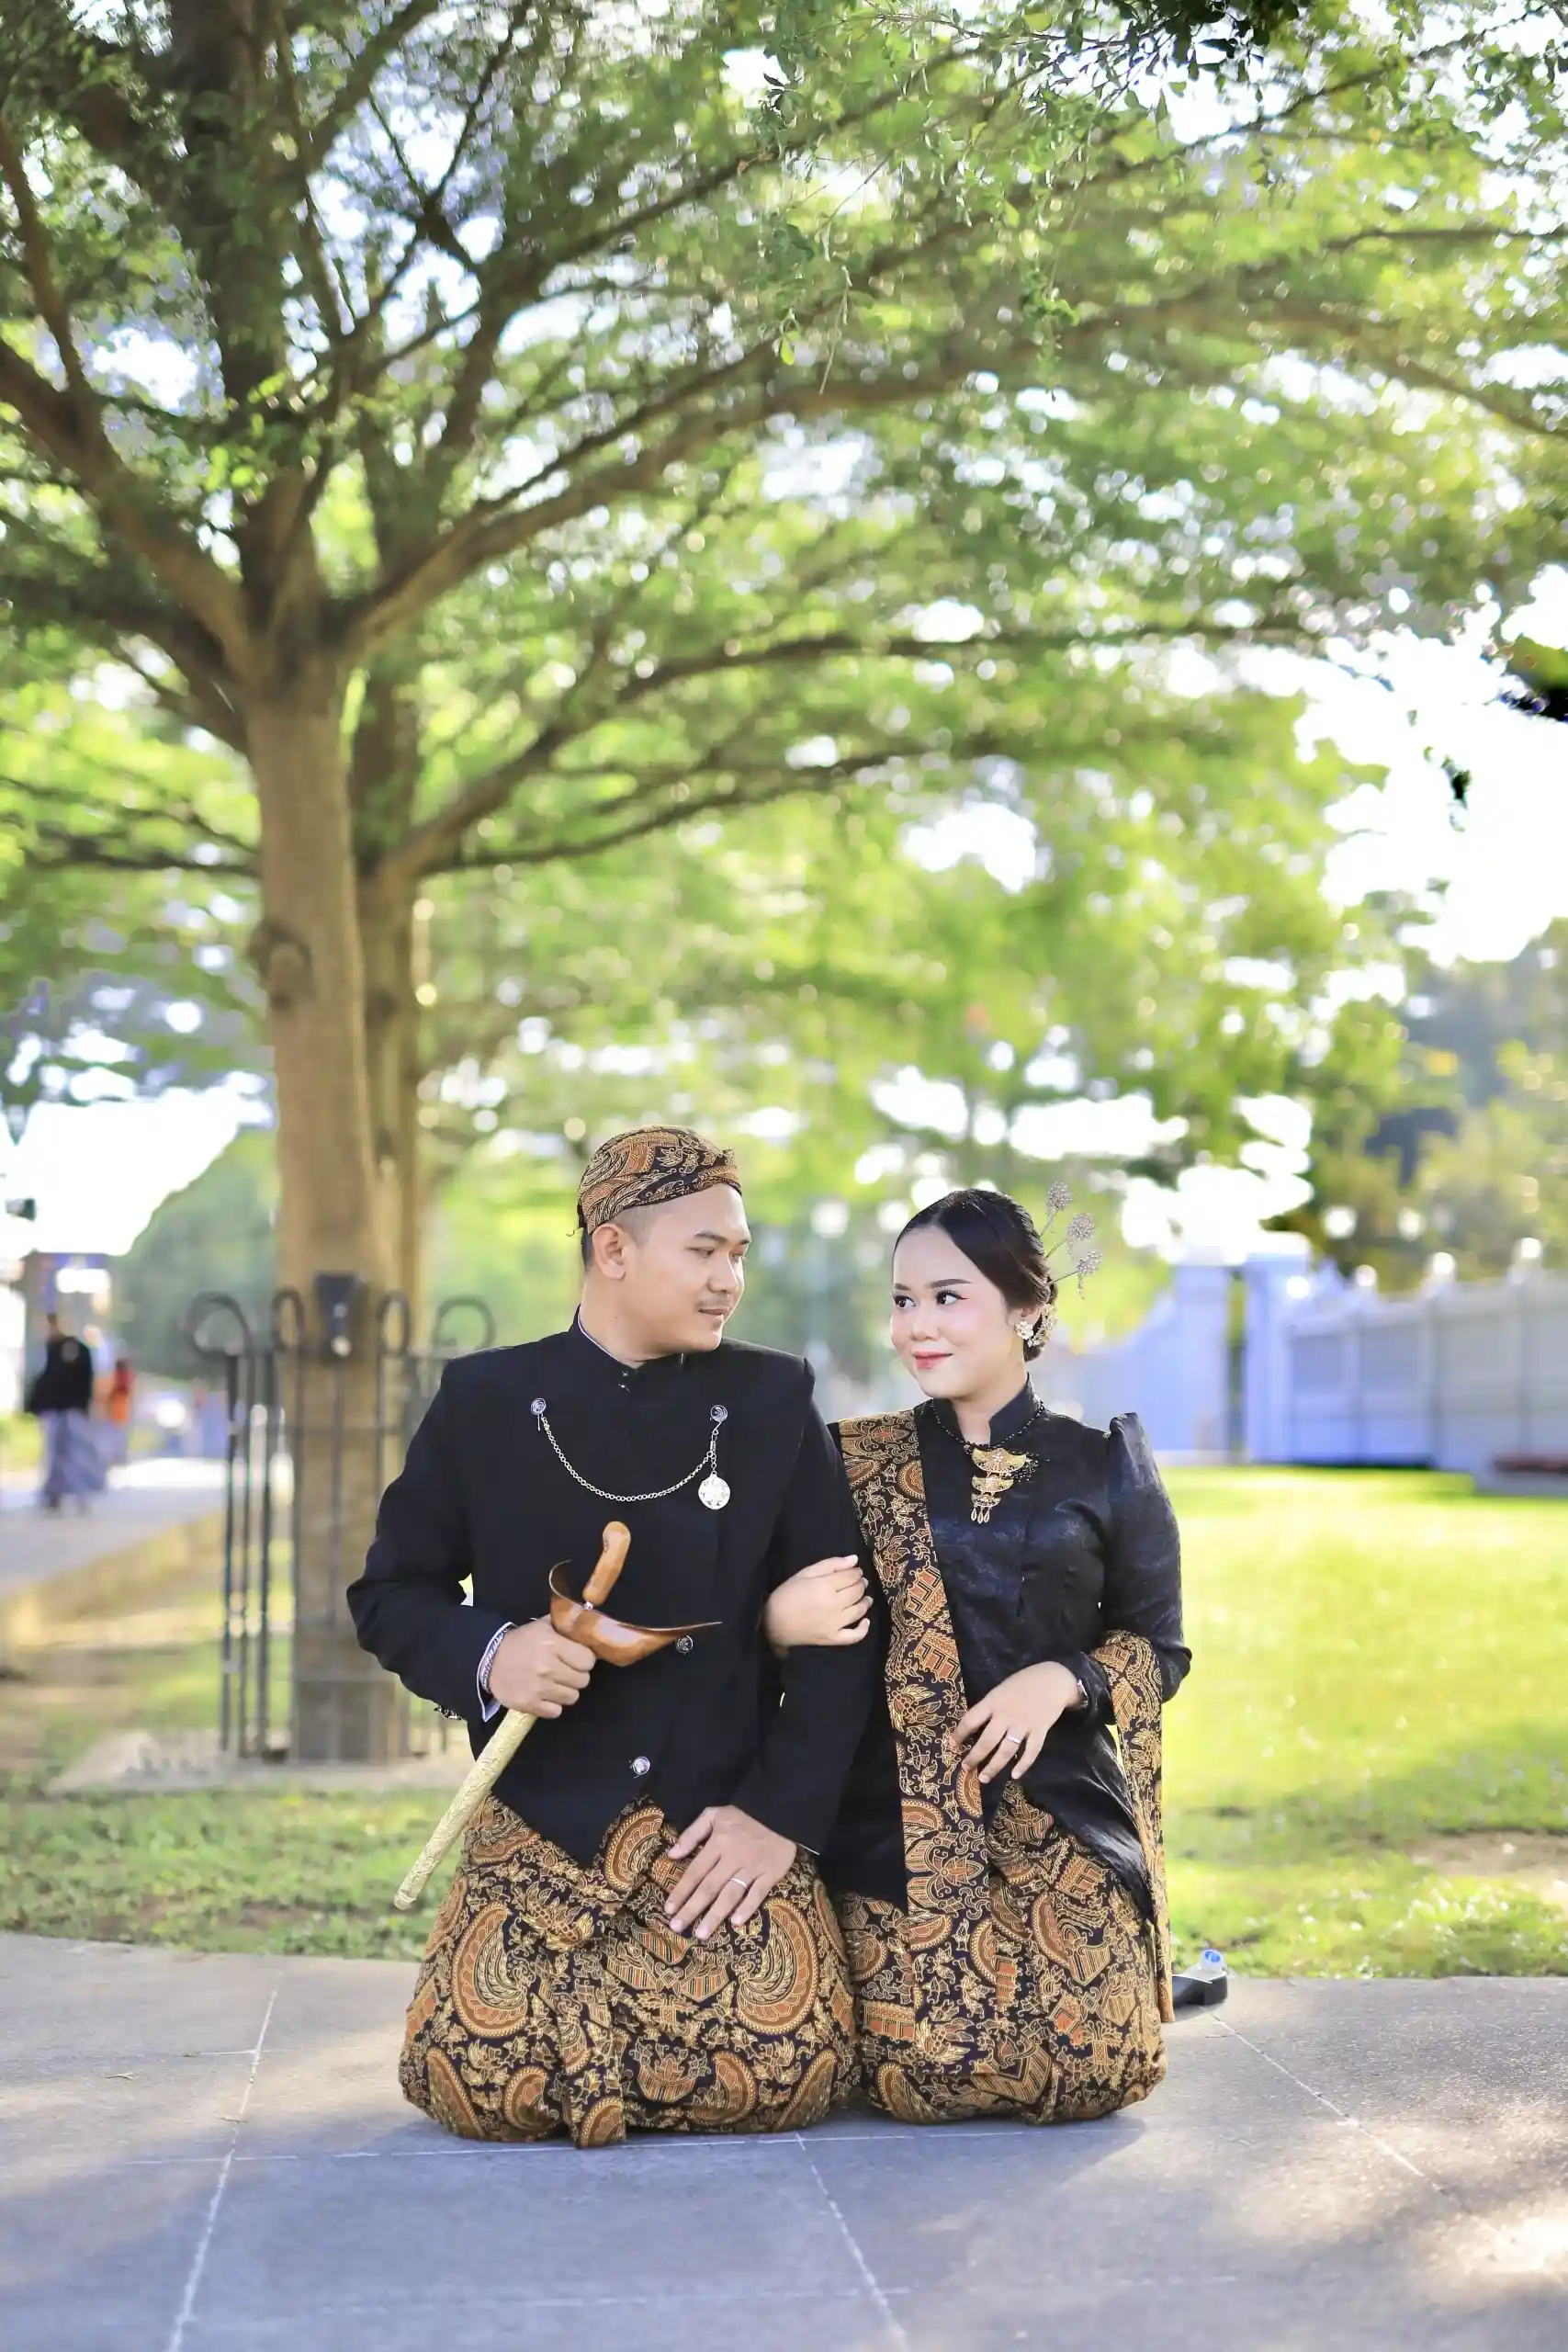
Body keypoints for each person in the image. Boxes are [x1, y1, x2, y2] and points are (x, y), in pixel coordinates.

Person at [348, 1125, 884, 2148]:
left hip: (717, 1806)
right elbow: (391, 1591)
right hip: (551, 1803)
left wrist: (776, 1816)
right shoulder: (484, 1401)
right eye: (704, 1251)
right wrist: (493, 1653)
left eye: (739, 1254)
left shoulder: (773, 1398)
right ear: (612, 1249)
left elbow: (842, 1633)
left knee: (790, 2065)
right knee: (475, 2078)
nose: (729, 1280)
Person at [767, 1184, 1190, 2126]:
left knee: (1097, 2065)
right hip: (894, 1826)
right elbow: (775, 1624)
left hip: (1059, 1810)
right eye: (902, 1299)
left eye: (947, 1297)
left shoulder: (1104, 1464)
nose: (915, 1325)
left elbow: (1159, 1648)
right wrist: (775, 1622)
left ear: (1026, 1309)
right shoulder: (850, 1463)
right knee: (921, 2075)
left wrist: (1065, 1679)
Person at [25, 1312, 107, 1514]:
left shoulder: (75, 1350)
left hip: (72, 1410)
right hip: (54, 1410)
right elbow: (43, 1382)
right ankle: (53, 1495)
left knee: (76, 1454)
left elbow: (85, 1380)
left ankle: (81, 1495)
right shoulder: (49, 1351)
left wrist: (85, 1405)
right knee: (54, 1455)